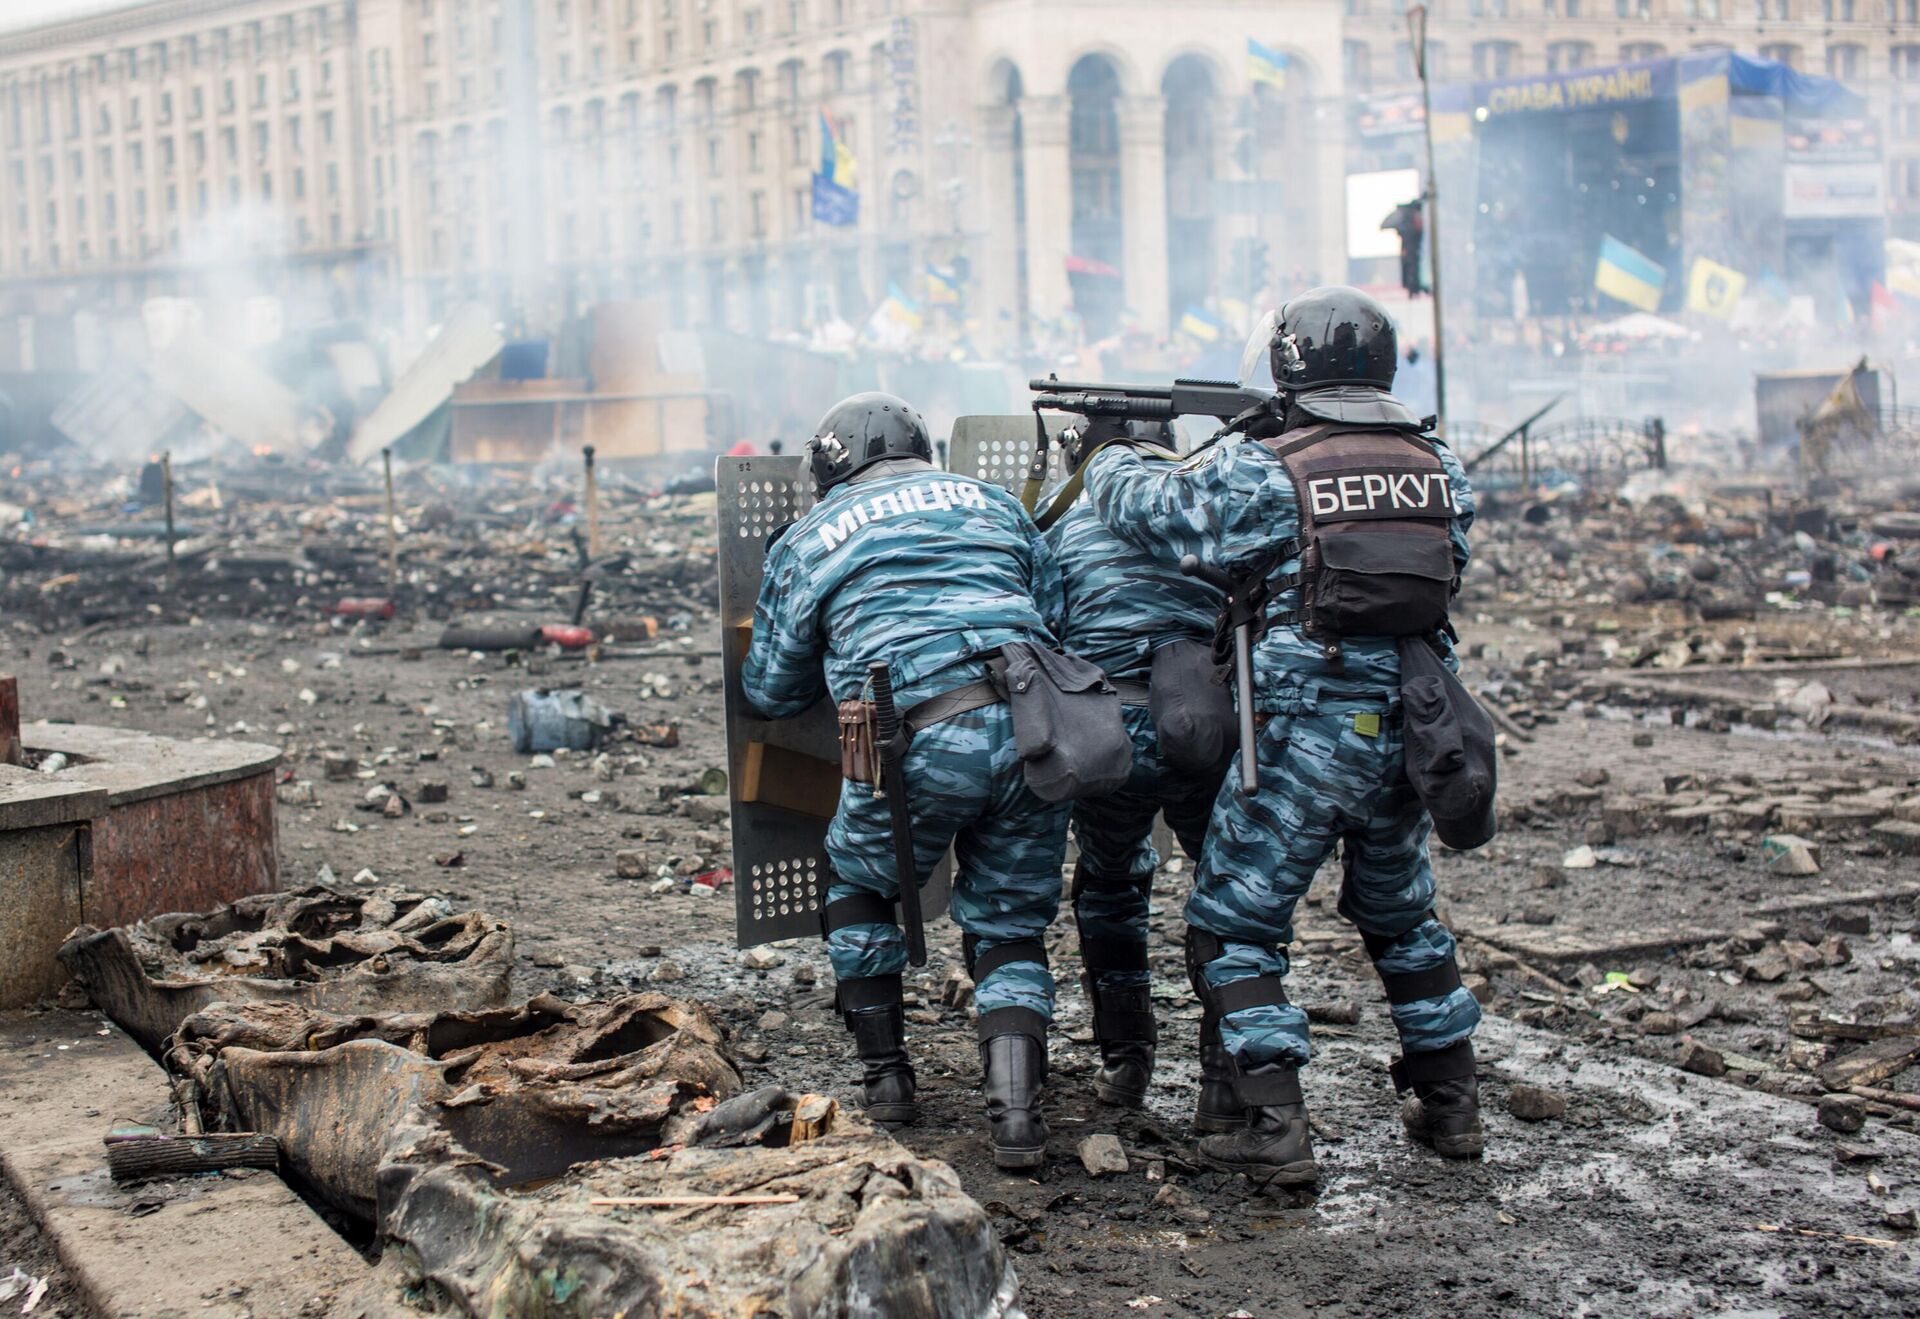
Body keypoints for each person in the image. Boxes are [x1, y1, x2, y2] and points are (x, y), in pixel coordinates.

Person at [1077, 287, 1484, 1188]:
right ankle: (1452, 1104)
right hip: (1416, 729)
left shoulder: (1271, 468)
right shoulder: (1441, 467)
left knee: (1235, 922)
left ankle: (1274, 1121)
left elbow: (1156, 511)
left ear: (1288, 366)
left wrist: (1106, 450)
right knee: (1401, 913)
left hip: (1304, 732)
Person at [741, 392, 1071, 1169]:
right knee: (1011, 922)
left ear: (829, 467)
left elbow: (771, 689)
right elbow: (1051, 614)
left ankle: (889, 1082)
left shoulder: (813, 534)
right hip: (1035, 727)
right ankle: (1018, 1117)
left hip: (912, 740)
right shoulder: (993, 503)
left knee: (857, 881)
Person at [1043, 420, 1232, 1122]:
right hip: (1203, 728)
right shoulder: (1202, 513)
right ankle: (1226, 1081)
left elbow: (1044, 635)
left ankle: (1127, 1061)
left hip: (1107, 733)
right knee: (1228, 896)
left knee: (1111, 882)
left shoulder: (1061, 529)